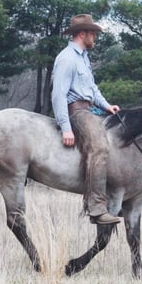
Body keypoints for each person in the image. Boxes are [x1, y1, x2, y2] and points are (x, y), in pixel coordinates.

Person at [51, 14, 121, 226]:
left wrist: (107, 105)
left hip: (90, 109)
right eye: (93, 34)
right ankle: (97, 209)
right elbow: (58, 95)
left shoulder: (83, 57)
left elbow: (91, 88)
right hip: (77, 112)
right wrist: (66, 128)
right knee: (99, 147)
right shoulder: (67, 58)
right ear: (82, 34)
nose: (95, 38)